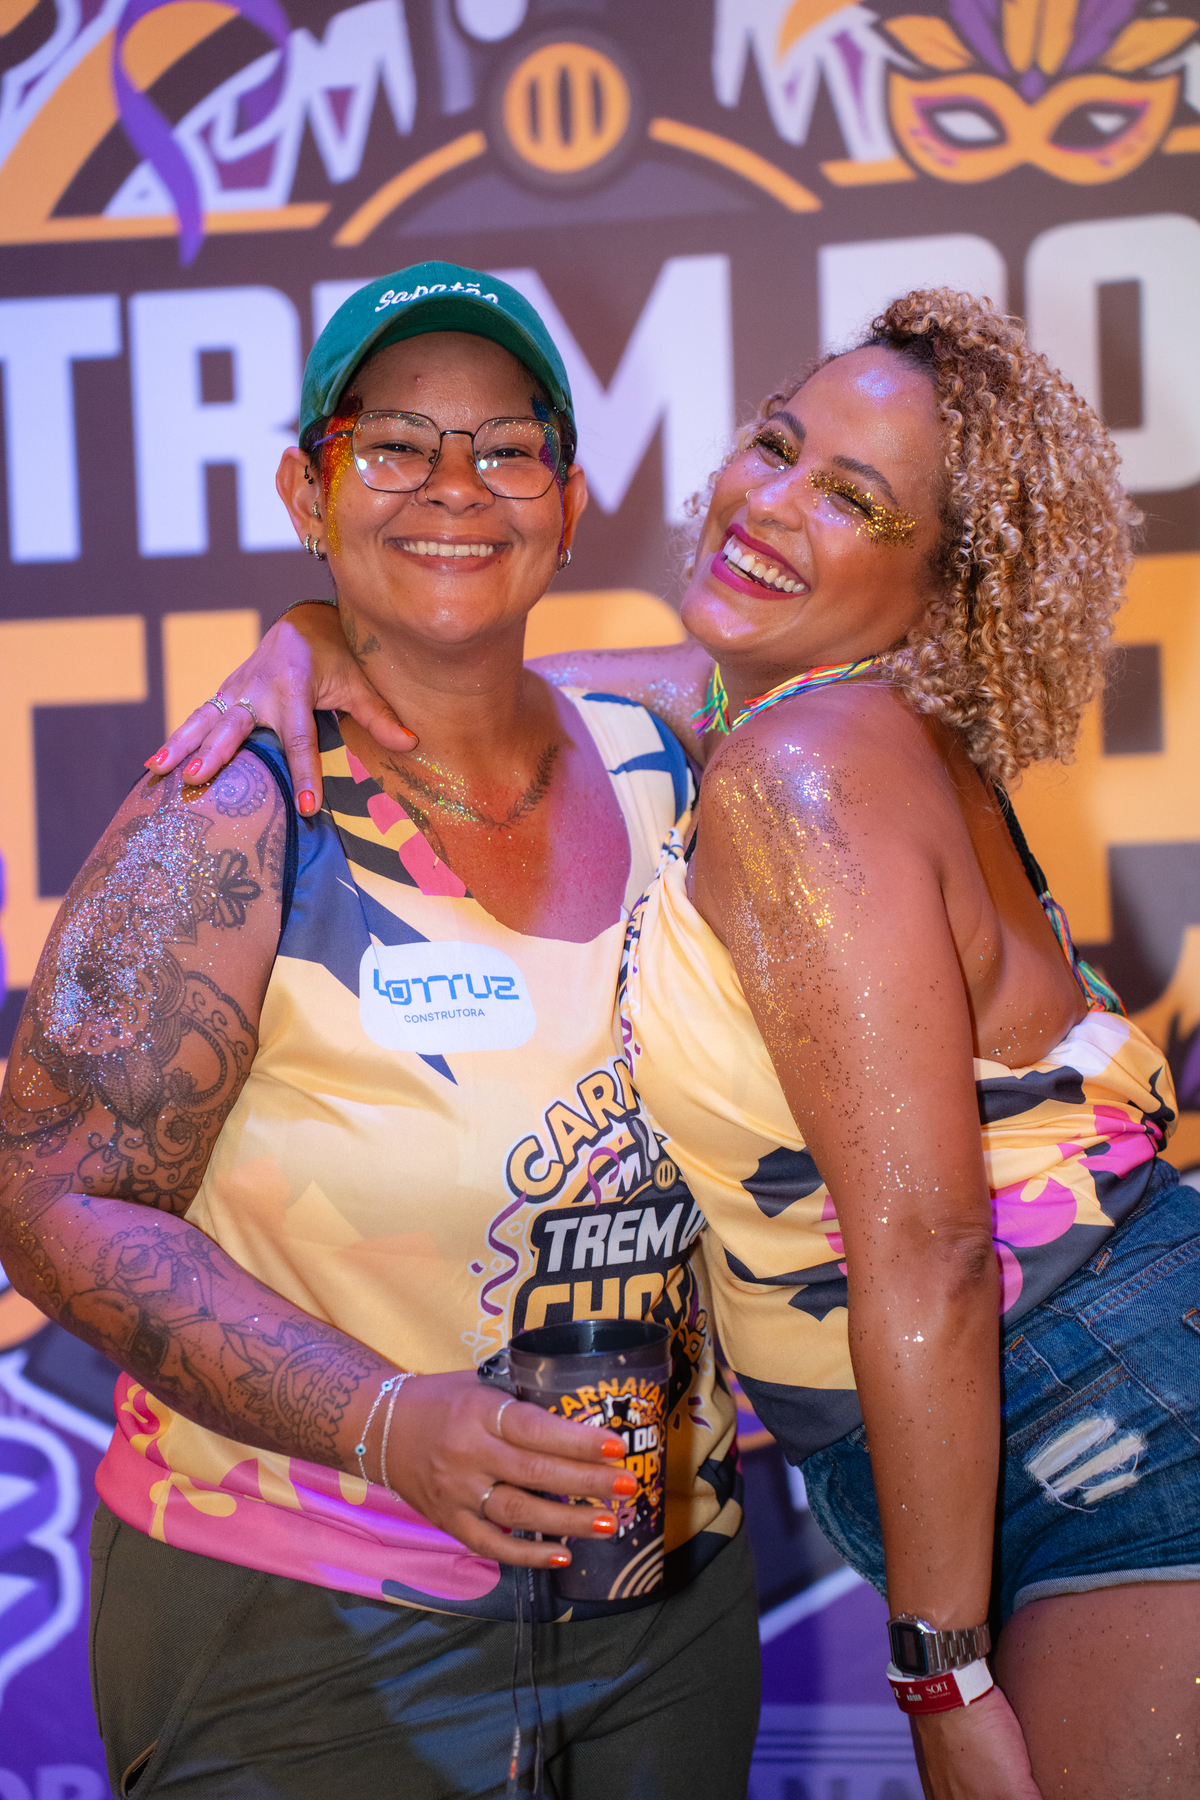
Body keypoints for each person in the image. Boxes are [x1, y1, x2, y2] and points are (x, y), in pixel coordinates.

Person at [174, 289, 1200, 1800]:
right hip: (1068, 1398)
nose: (771, 502)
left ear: (945, 577)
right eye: (775, 446)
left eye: (853, 500)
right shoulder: (805, 721)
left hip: (1093, 1419)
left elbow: (925, 1249)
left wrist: (937, 1668)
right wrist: (322, 630)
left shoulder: (801, 769)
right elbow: (519, 696)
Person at [0, 262, 759, 1800]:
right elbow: (47, 1199)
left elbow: (877, 664)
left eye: (506, 448)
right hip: (308, 1627)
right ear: (310, 489)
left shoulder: (678, 753)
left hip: (664, 1602)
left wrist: (370, 649)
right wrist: (385, 1422)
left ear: (568, 498)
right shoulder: (226, 818)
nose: (454, 487)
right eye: (395, 445)